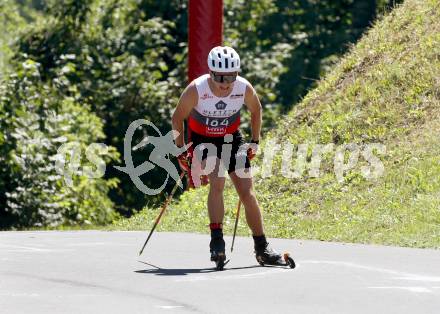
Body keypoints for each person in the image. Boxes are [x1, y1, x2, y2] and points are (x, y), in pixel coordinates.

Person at [172, 46, 283, 267]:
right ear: (211, 73)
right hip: (203, 141)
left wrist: (255, 141)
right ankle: (217, 241)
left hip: (232, 140)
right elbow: (177, 118)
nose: (225, 83)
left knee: (247, 193)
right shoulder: (196, 89)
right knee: (218, 181)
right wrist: (181, 150)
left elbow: (256, 110)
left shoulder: (242, 88)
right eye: (220, 77)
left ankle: (262, 247)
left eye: (231, 76)